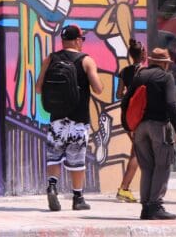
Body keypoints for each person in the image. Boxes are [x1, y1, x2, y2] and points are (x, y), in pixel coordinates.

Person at [35, 24, 103, 211]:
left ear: (63, 40)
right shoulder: (86, 60)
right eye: (81, 39)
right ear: (77, 40)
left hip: (56, 118)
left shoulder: (51, 59)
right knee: (77, 160)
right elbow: (98, 88)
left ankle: (52, 186)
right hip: (78, 119)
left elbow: (38, 88)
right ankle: (78, 198)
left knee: (54, 157)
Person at [124, 46, 176, 220]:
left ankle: (146, 208)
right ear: (164, 64)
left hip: (140, 128)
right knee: (163, 165)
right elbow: (171, 104)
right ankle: (156, 205)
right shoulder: (166, 78)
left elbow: (126, 101)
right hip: (159, 126)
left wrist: (129, 127)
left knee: (147, 167)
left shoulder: (139, 75)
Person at [114, 38, 146, 202]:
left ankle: (127, 188)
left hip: (126, 115)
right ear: (144, 54)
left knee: (138, 150)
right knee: (137, 152)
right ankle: (124, 189)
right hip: (139, 117)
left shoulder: (124, 72)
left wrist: (129, 94)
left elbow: (119, 95)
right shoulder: (145, 72)